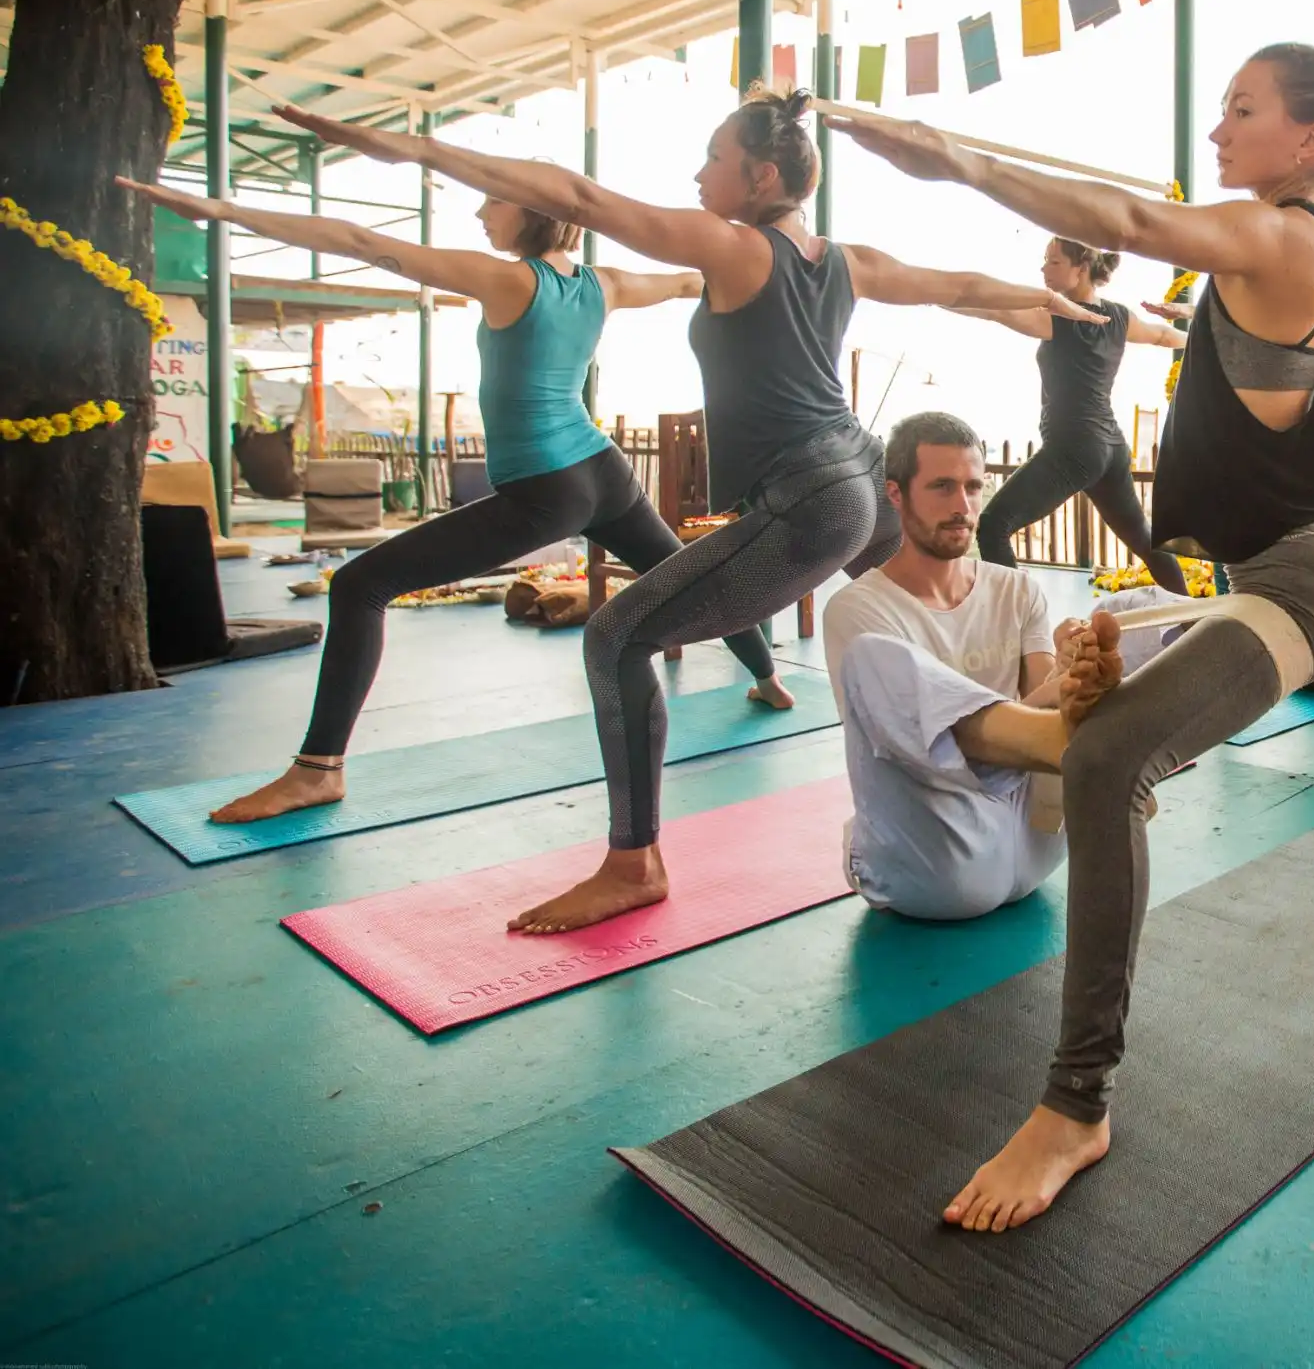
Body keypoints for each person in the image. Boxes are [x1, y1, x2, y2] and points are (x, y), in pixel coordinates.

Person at [830, 41, 1314, 1236]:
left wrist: (949, 156)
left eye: (1242, 110)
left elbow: (1118, 215)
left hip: (1300, 568)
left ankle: (1075, 1104)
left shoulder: (1274, 237)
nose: (1220, 129)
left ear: (1307, 140)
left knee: (1107, 761)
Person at [275, 90, 1106, 934]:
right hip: (859, 467)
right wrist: (1057, 309)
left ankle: (633, 864)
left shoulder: (736, 247)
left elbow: (581, 199)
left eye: (713, 158)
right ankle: (1041, 734)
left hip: (816, 494)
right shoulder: (842, 258)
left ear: (762, 176)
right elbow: (957, 286)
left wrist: (404, 148)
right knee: (950, 605)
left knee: (614, 638)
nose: (698, 174)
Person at [114, 173, 793, 824]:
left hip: (547, 490)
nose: (479, 216)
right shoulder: (603, 284)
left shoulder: (504, 279)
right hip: (603, 472)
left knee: (358, 586)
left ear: (530, 209)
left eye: (491, 202)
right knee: (685, 576)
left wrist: (225, 213)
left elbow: (354, 240)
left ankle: (318, 769)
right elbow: (691, 277)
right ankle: (766, 678)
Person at [823, 411, 1179, 921]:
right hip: (934, 859)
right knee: (870, 656)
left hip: (1037, 844)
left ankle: (1085, 744)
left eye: (972, 486)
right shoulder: (861, 607)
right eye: (942, 487)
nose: (962, 506)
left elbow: (1045, 699)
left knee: (1135, 613)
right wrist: (1062, 718)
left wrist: (1071, 671)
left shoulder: (1014, 589)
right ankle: (1091, 751)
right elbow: (917, 749)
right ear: (896, 494)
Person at [946, 237, 1191, 597]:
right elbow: (1163, 336)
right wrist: (1203, 332)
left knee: (994, 525)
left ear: (1082, 268)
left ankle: (1021, 628)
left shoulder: (1059, 319)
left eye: (1053, 262)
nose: (1043, 269)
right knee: (1145, 540)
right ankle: (1192, 621)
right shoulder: (1118, 317)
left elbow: (994, 309)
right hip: (1109, 447)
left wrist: (932, 293)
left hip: (1074, 447)